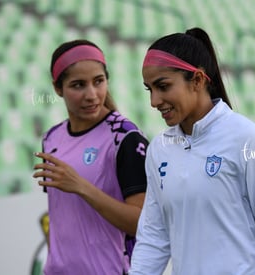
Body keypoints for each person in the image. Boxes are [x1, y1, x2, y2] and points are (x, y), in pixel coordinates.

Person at [129, 27, 255, 275]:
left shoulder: (250, 141)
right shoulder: (159, 149)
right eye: (150, 89)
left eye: (163, 86)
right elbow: (154, 235)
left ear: (198, 80)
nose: (154, 101)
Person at [32, 39, 149, 275]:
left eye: (99, 81)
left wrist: (81, 186)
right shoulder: (51, 139)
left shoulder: (125, 137)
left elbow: (142, 224)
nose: (92, 94)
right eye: (78, 85)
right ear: (57, 88)